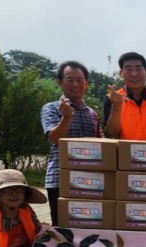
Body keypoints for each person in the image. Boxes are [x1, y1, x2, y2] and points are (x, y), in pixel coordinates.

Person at [40, 61, 104, 226]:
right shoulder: (51, 108)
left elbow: (103, 145)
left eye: (80, 80)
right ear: (60, 83)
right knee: (63, 229)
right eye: (70, 80)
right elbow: (55, 138)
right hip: (60, 181)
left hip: (90, 181)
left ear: (86, 83)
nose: (75, 84)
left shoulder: (92, 113)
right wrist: (67, 118)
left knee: (90, 227)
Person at [104, 52, 146, 140]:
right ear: (121, 73)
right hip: (123, 149)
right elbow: (111, 134)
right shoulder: (111, 98)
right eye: (128, 69)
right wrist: (116, 106)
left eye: (138, 69)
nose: (134, 74)